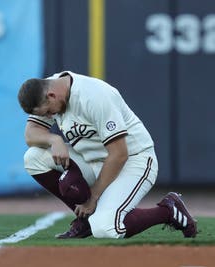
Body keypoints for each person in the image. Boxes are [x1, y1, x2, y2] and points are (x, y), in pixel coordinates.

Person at [17, 71, 198, 239]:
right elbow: (30, 134)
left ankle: (168, 210)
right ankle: (86, 220)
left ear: (51, 95)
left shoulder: (94, 96)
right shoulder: (49, 87)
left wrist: (93, 197)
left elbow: (119, 154)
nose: (50, 115)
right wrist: (54, 140)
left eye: (49, 111)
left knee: (105, 228)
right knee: (33, 158)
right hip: (94, 161)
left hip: (133, 160)